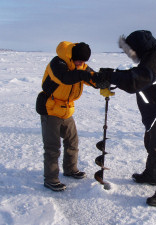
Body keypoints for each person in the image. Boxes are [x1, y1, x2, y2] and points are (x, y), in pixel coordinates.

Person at [93, 30, 156, 206]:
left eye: (131, 51)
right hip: (154, 110)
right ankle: (151, 174)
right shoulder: (151, 54)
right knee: (150, 143)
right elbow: (139, 74)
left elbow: (137, 80)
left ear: (139, 48)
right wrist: (115, 77)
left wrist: (111, 75)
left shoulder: (154, 57)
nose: (130, 55)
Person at [36, 41, 108, 191]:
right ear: (71, 57)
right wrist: (85, 75)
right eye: (79, 60)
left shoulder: (80, 66)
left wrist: (102, 81)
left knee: (72, 142)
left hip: (67, 109)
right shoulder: (57, 63)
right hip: (50, 109)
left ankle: (70, 169)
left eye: (84, 62)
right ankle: (51, 179)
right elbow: (65, 77)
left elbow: (91, 76)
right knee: (52, 148)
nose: (81, 64)